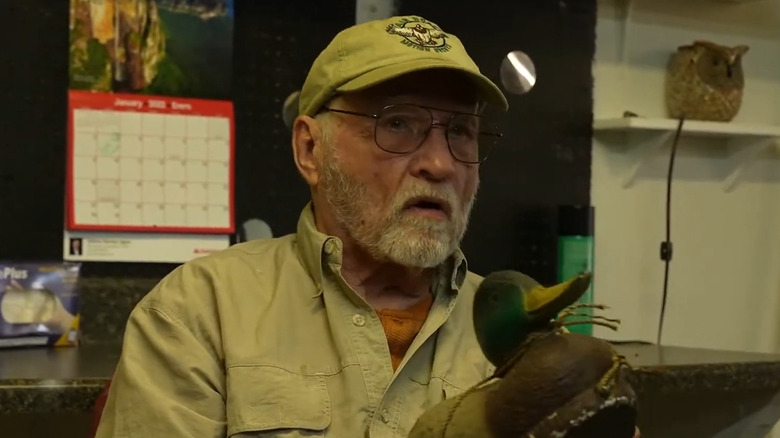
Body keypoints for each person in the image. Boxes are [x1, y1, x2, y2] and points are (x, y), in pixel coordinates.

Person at [94, 15, 640, 438]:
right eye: (397, 124)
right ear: (311, 150)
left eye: (461, 132)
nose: (441, 163)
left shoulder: (533, 347)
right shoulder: (198, 315)